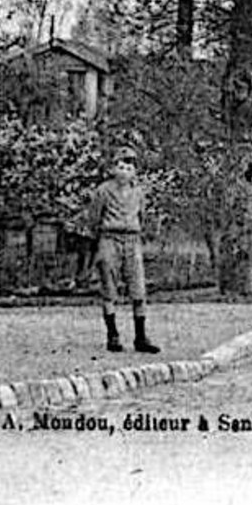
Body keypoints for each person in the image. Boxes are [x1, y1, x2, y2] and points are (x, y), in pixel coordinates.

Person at [83, 147, 159, 354]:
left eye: (129, 167)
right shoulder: (103, 191)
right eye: (120, 166)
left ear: (134, 172)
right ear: (113, 169)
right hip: (109, 239)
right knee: (109, 288)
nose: (124, 171)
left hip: (132, 240)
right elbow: (94, 219)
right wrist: (98, 240)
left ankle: (141, 337)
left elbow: (142, 216)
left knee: (138, 290)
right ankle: (113, 335)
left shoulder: (138, 192)